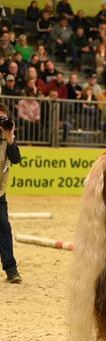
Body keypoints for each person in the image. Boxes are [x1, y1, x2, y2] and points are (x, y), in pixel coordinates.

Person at [0, 105, 22, 283]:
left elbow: (16, 159)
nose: (2, 122)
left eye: (4, 119)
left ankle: (11, 270)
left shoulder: (7, 139)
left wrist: (10, 139)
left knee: (4, 229)